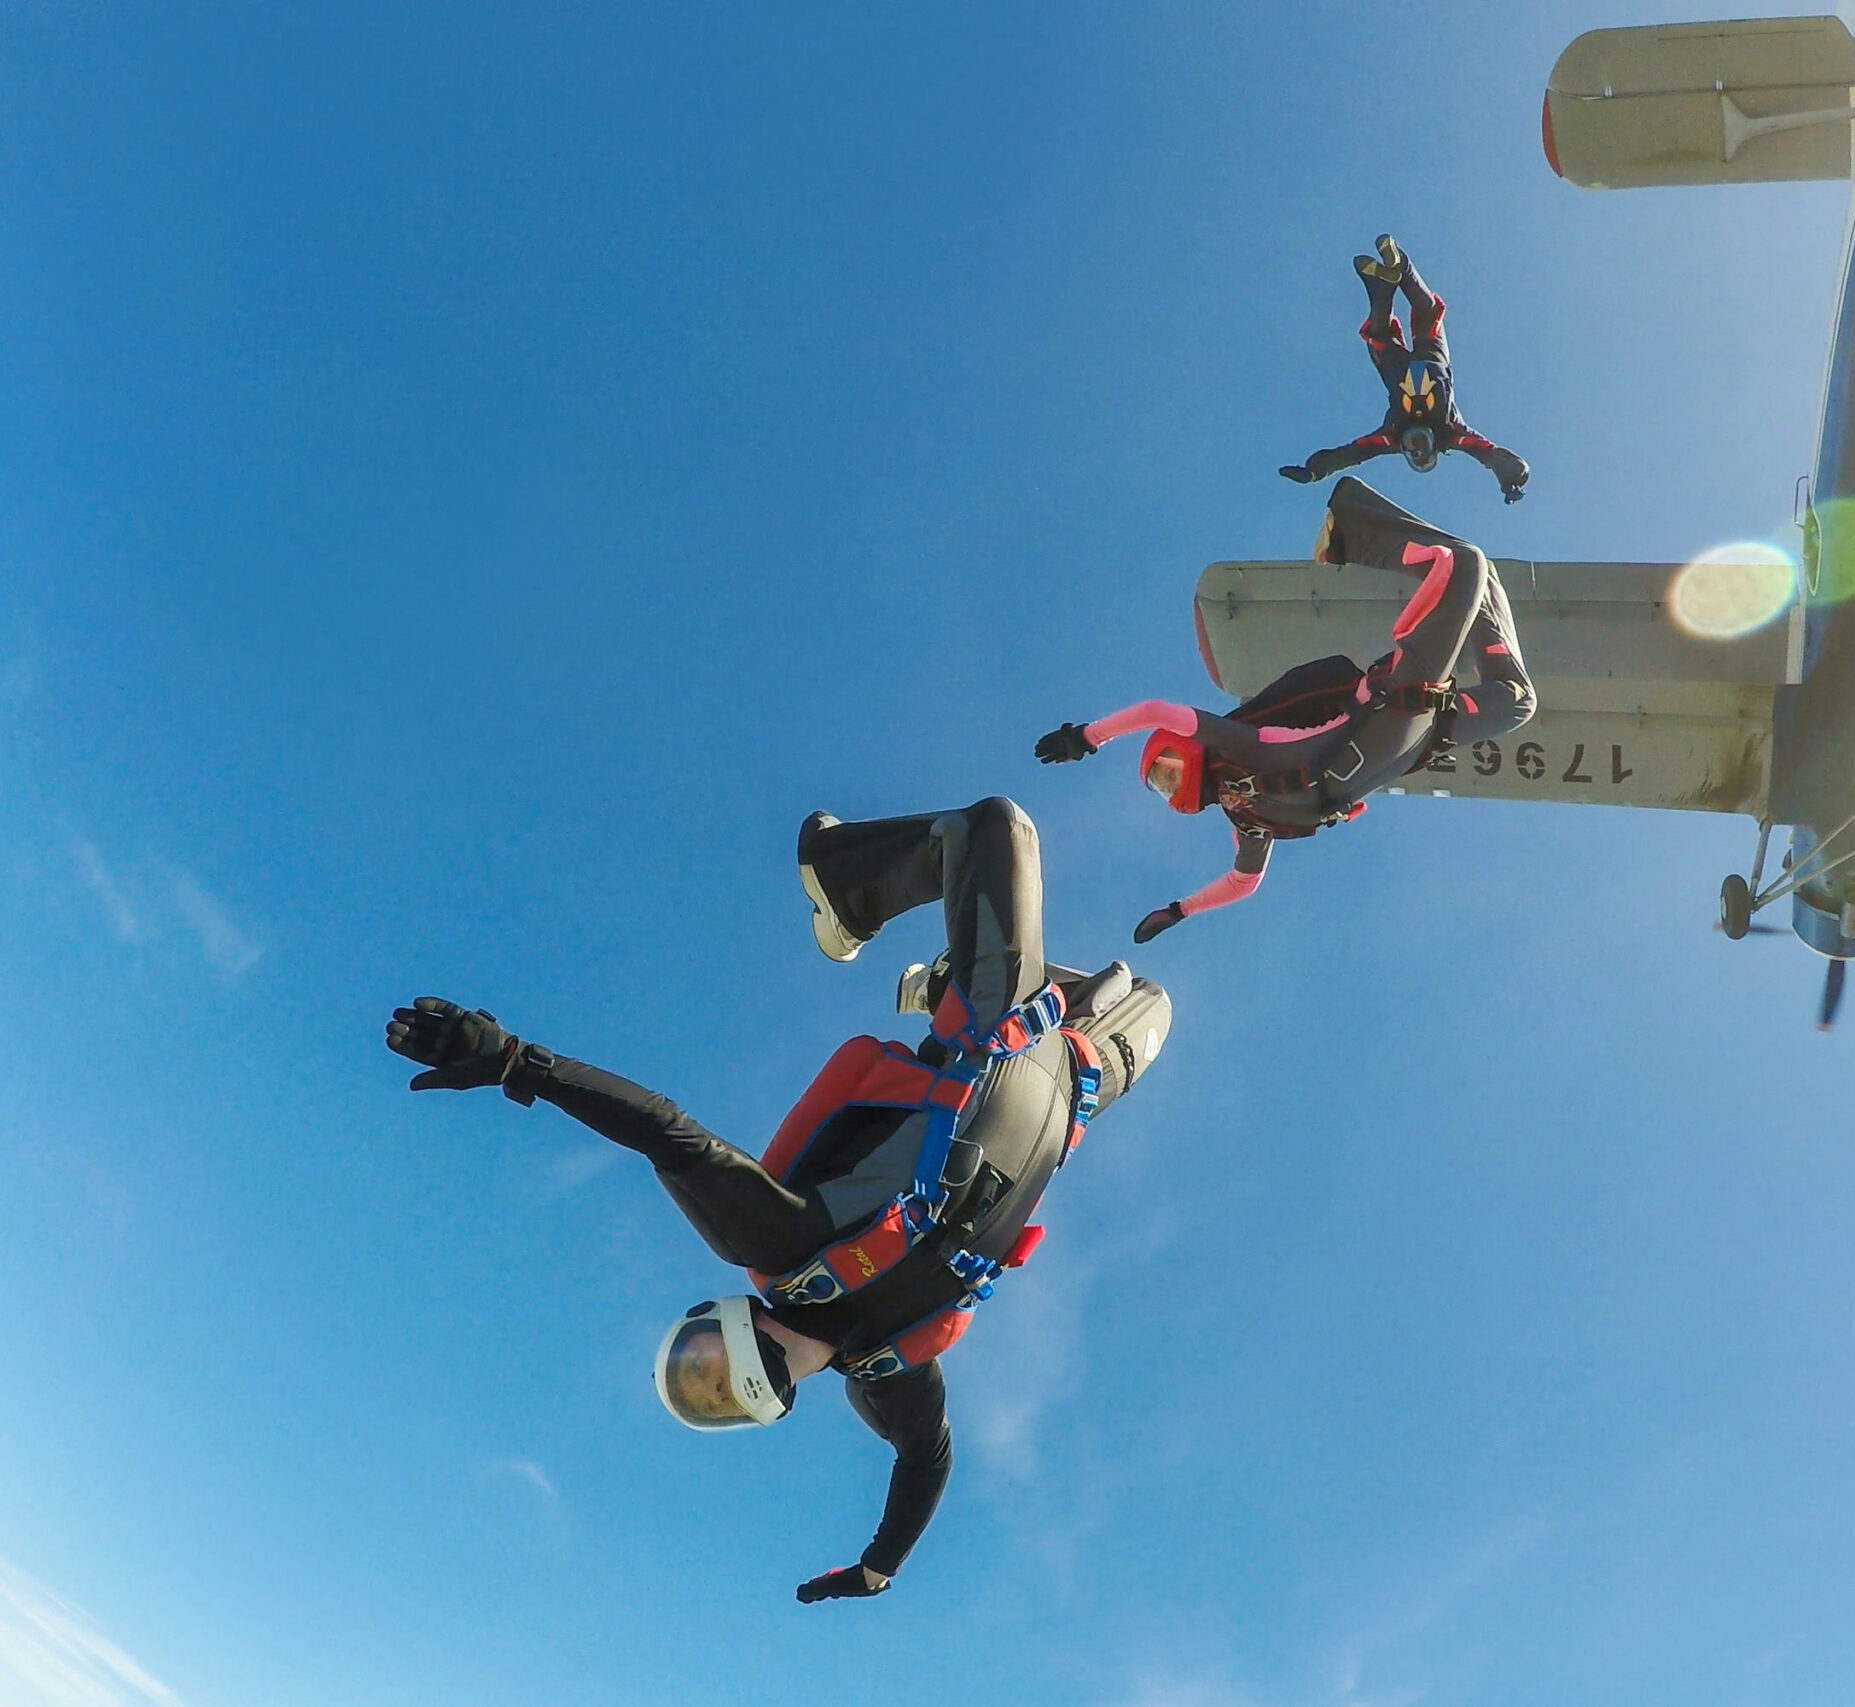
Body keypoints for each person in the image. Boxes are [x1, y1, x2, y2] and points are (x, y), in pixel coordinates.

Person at [382, 798, 1171, 1603]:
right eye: (715, 1403)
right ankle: (950, 974)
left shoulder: (774, 1244)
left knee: (998, 830)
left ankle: (846, 883)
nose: (726, 1384)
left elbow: (664, 1132)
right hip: (1073, 1076)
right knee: (1158, 999)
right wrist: (879, 1564)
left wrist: (517, 1062)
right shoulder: (884, 1368)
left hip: (993, 1025)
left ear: (714, 1319)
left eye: (703, 1369)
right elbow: (926, 1460)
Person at [1035, 478, 1534, 940]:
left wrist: (1088, 736)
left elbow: (1155, 710)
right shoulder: (1246, 814)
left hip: (1399, 711)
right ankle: (1384, 547)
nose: (1169, 790)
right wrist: (1180, 910)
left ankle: (1352, 533)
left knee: (1463, 568)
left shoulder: (1238, 750)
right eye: (1162, 789)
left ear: (1182, 748)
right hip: (1411, 729)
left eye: (1163, 774)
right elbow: (1242, 883)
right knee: (1515, 697)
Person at [1280, 234, 1530, 503]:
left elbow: (1352, 454)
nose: (1414, 445)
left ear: (1406, 450)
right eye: (1421, 448)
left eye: (1412, 449)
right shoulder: (1452, 434)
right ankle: (1398, 269)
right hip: (1431, 361)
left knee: (1382, 333)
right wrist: (1512, 480)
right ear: (1434, 448)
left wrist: (1314, 470)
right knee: (1426, 313)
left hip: (1400, 370)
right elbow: (1488, 453)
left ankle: (1387, 283)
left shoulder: (1391, 437)